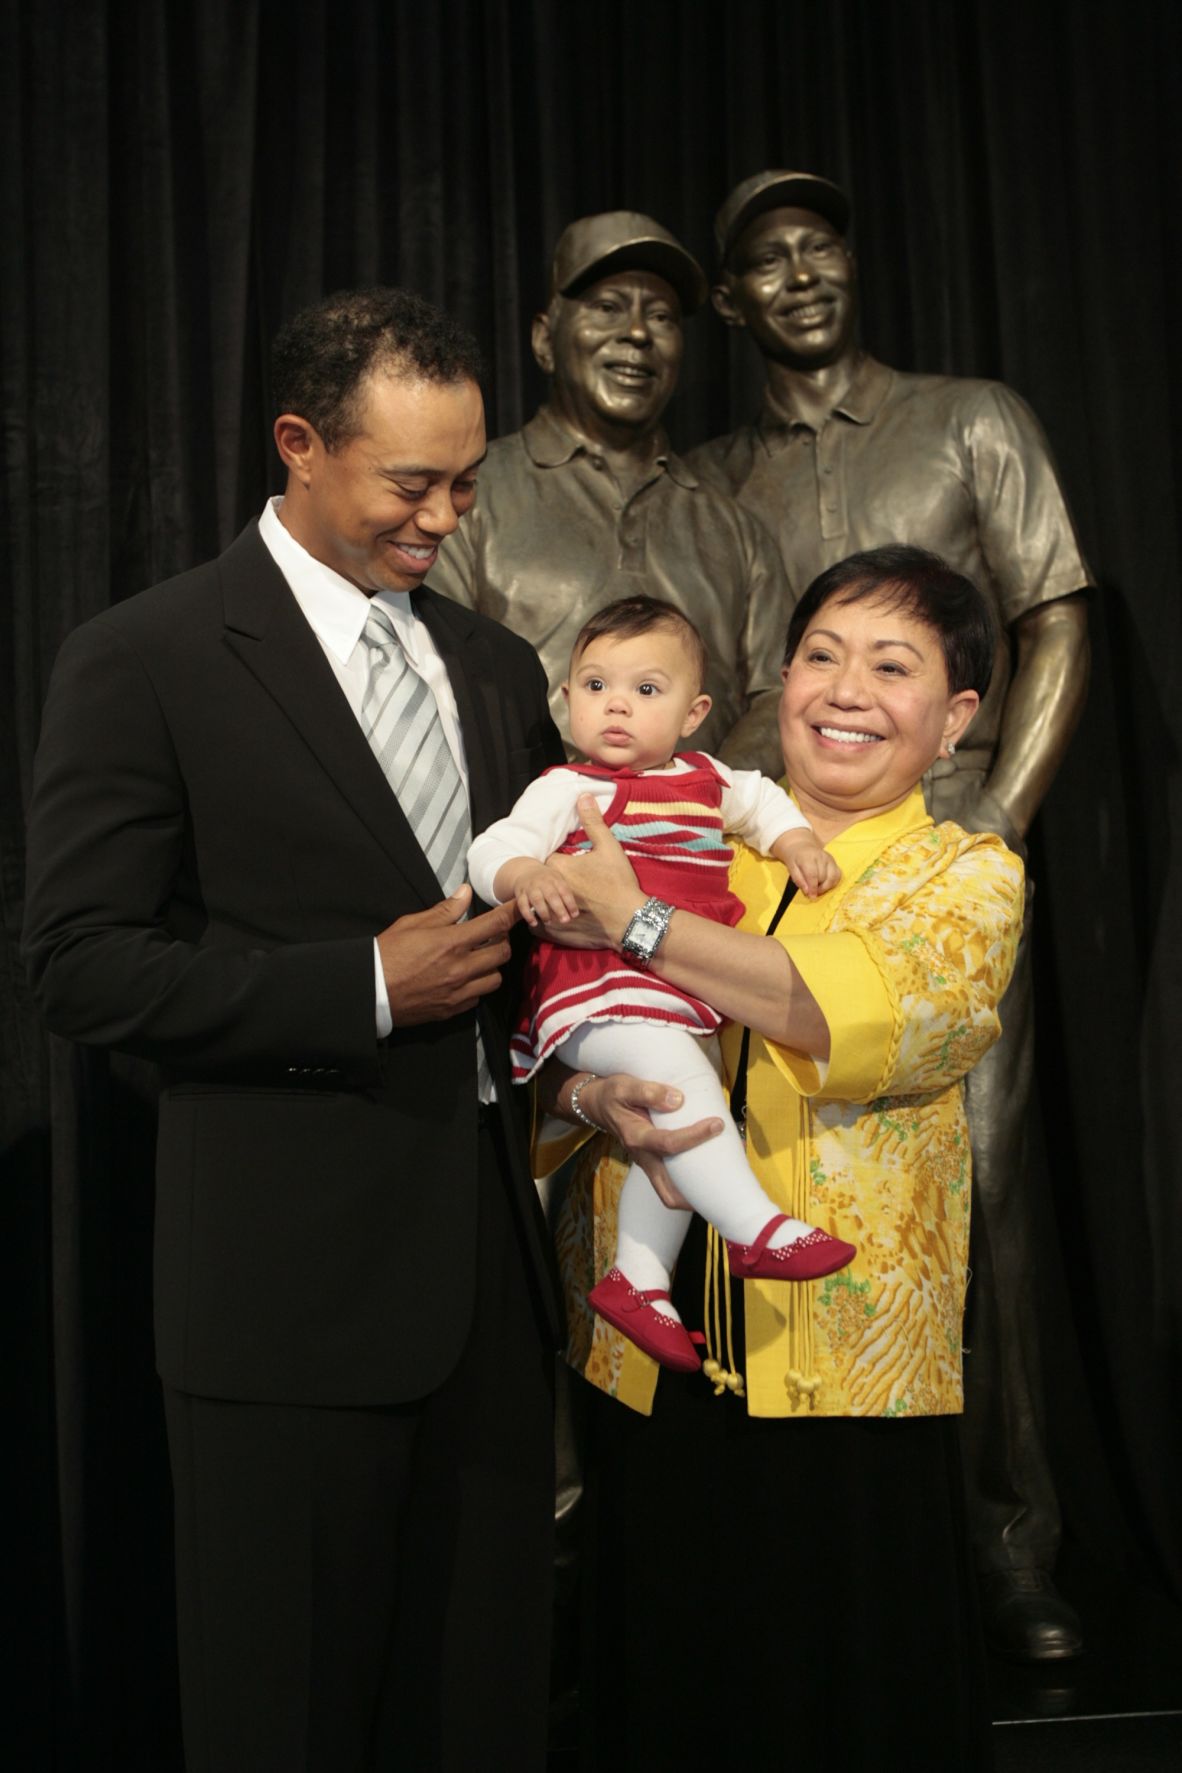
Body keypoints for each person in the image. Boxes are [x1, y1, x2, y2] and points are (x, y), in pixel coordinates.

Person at [23, 287, 566, 1773]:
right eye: (412, 483)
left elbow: (521, 943)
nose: (443, 519)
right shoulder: (146, 655)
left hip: (489, 1292)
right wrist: (363, 987)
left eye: (467, 484)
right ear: (299, 444)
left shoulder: (496, 668)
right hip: (282, 1303)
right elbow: (77, 968)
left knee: (480, 1715)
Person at [688, 169, 1091, 1658]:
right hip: (772, 870)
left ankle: (1007, 1541)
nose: (801, 274)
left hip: (936, 857)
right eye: (767, 259)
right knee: (758, 1180)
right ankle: (790, 1551)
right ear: (729, 301)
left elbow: (1055, 612)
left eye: (821, 246)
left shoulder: (969, 417)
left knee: (979, 1192)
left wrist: (1000, 819)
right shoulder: (710, 478)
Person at [538, 545, 1025, 1770]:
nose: (847, 690)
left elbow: (845, 1012)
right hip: (655, 1373)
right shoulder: (697, 837)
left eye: (893, 667)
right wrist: (588, 1090)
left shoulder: (967, 876)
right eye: (822, 655)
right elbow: (546, 1035)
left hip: (848, 1389)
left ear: (956, 718)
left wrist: (636, 919)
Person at [468, 595, 850, 1375]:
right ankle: (754, 1227)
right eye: (596, 685)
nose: (616, 705)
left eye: (646, 689)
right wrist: (526, 874)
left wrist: (796, 841)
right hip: (598, 987)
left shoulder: (708, 779)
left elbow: (762, 800)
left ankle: (639, 1278)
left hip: (667, 992)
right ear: (566, 698)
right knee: (680, 1082)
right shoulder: (569, 787)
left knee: (672, 1104)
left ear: (693, 713)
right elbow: (492, 847)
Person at [428, 210, 793, 776]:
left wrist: (695, 801)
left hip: (699, 828)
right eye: (607, 308)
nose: (638, 333)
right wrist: (571, 804)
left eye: (662, 316)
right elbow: (431, 678)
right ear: (545, 340)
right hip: (528, 824)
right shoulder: (471, 497)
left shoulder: (734, 529)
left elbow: (778, 696)